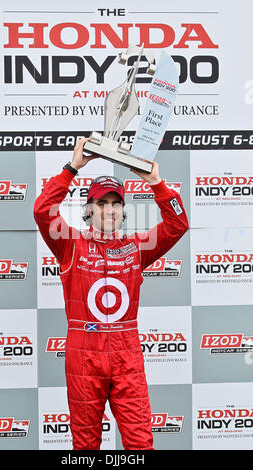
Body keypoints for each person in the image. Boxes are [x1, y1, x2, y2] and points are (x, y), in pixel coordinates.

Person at [34, 137, 189, 450]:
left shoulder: (137, 247)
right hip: (83, 351)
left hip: (126, 353)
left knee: (140, 443)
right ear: (89, 210)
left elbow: (177, 224)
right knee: (86, 445)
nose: (109, 210)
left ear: (123, 211)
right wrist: (72, 168)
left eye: (116, 203)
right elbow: (42, 212)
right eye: (101, 203)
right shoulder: (70, 243)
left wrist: (156, 183)